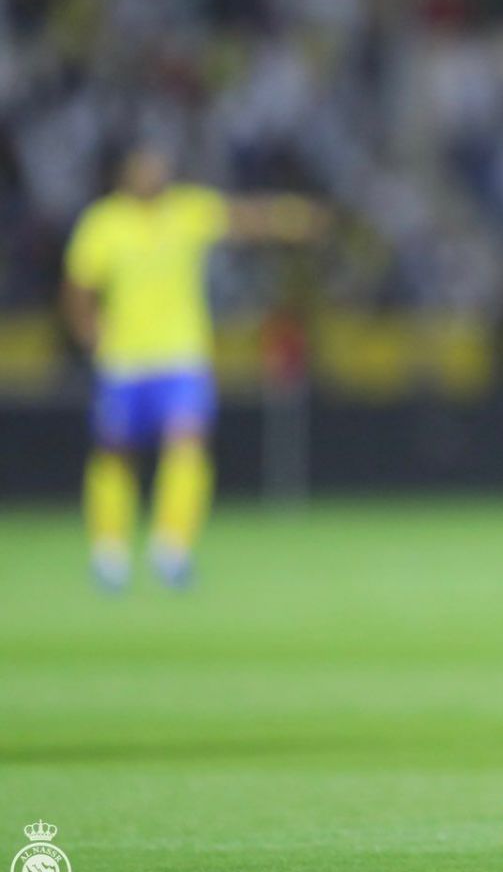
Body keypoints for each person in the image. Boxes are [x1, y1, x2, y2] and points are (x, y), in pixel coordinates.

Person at [62, 144, 328, 591]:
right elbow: (78, 288)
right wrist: (90, 334)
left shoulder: (185, 211)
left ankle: (173, 549)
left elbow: (247, 218)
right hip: (124, 361)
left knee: (187, 444)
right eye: (146, 166)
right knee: (116, 454)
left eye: (160, 166)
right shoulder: (104, 223)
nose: (154, 174)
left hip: (180, 357)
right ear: (126, 173)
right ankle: (110, 553)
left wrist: (296, 218)